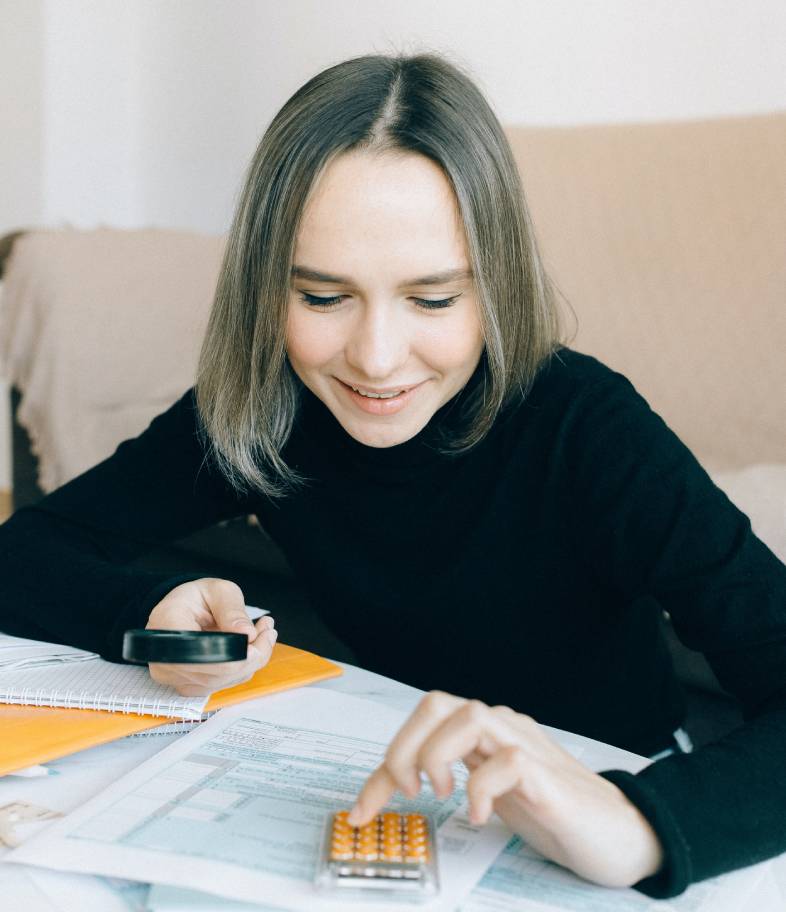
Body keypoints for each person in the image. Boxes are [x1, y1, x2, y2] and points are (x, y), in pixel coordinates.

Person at [1, 51, 785, 900]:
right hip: (395, 792)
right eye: (323, 297)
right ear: (267, 291)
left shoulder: (588, 427)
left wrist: (633, 826)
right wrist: (147, 621)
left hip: (611, 790)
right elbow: (27, 550)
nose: (375, 362)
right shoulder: (269, 402)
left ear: (497, 284)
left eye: (435, 300)